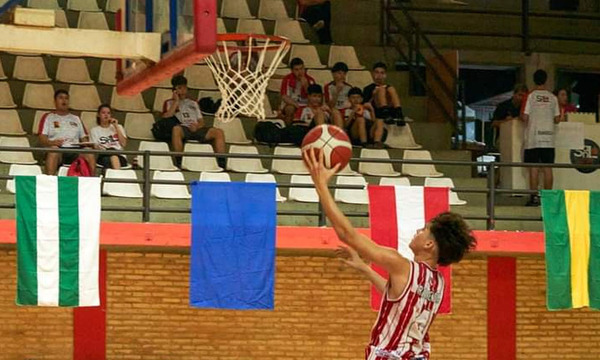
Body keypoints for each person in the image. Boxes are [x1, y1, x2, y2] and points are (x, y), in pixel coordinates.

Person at [302, 147, 476, 360]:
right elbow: (396, 294)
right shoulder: (438, 283)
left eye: (423, 230)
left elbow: (347, 234)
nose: (417, 232)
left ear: (429, 244)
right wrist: (365, 269)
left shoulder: (402, 265)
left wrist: (320, 185)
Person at [162, 75, 226, 168]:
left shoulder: (193, 103)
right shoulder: (169, 103)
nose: (183, 90)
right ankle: (179, 160)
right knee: (176, 130)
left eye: (184, 87)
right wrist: (176, 101)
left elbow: (201, 121)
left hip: (196, 127)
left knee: (218, 132)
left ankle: (221, 162)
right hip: (183, 128)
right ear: (174, 90)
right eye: (180, 88)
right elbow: (166, 116)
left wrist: (197, 126)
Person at [521, 69, 562, 207]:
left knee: (534, 168)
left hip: (533, 137)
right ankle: (548, 199)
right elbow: (557, 119)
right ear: (546, 80)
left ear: (534, 80)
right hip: (549, 138)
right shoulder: (553, 98)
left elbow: (524, 117)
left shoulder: (531, 96)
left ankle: (533, 198)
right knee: (547, 168)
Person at [38, 89, 96, 175]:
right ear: (55, 101)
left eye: (66, 98)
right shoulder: (48, 117)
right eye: (61, 98)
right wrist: (52, 142)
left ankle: (91, 183)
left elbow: (83, 137)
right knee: (53, 151)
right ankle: (50, 182)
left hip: (75, 149)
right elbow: (42, 137)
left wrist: (87, 144)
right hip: (59, 149)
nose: (64, 100)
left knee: (89, 152)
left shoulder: (76, 118)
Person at [363, 62, 406, 126]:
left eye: (382, 73)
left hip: (390, 110)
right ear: (373, 74)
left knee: (391, 89)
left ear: (385, 75)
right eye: (377, 72)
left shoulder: (388, 87)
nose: (379, 75)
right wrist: (374, 94)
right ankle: (385, 113)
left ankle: (399, 114)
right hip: (377, 111)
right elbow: (365, 104)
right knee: (381, 89)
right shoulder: (368, 88)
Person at [90, 104, 128, 170]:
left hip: (119, 155)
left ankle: (113, 177)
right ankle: (117, 178)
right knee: (110, 158)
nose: (106, 115)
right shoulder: (94, 130)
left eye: (108, 113)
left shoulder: (119, 127)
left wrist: (116, 126)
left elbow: (123, 144)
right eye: (103, 113)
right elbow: (95, 147)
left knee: (114, 157)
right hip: (104, 155)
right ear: (98, 115)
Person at [280, 57, 316, 126]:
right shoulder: (287, 79)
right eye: (296, 70)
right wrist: (297, 106)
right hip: (292, 103)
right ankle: (288, 130)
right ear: (292, 70)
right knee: (289, 109)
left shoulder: (310, 80)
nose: (300, 72)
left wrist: (306, 86)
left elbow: (313, 98)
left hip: (306, 104)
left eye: (301, 69)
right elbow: (284, 96)